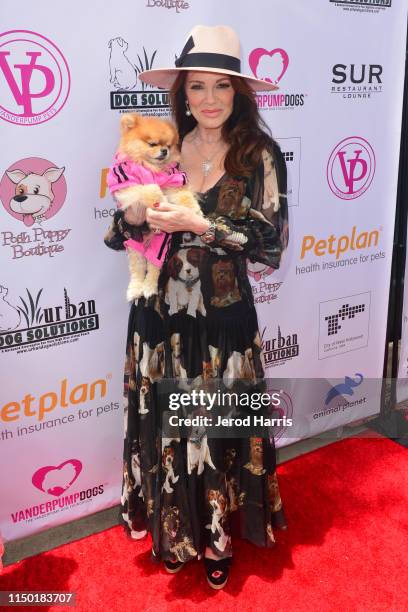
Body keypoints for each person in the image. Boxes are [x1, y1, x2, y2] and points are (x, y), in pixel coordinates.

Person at [104, 25, 289, 590]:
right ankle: (176, 527)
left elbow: (272, 245)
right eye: (198, 87)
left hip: (223, 322)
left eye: (222, 87)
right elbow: (116, 233)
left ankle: (216, 534)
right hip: (160, 318)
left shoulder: (260, 154)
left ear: (239, 94)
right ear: (182, 92)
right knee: (167, 427)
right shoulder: (159, 146)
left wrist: (200, 223)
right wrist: (132, 218)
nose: (209, 99)